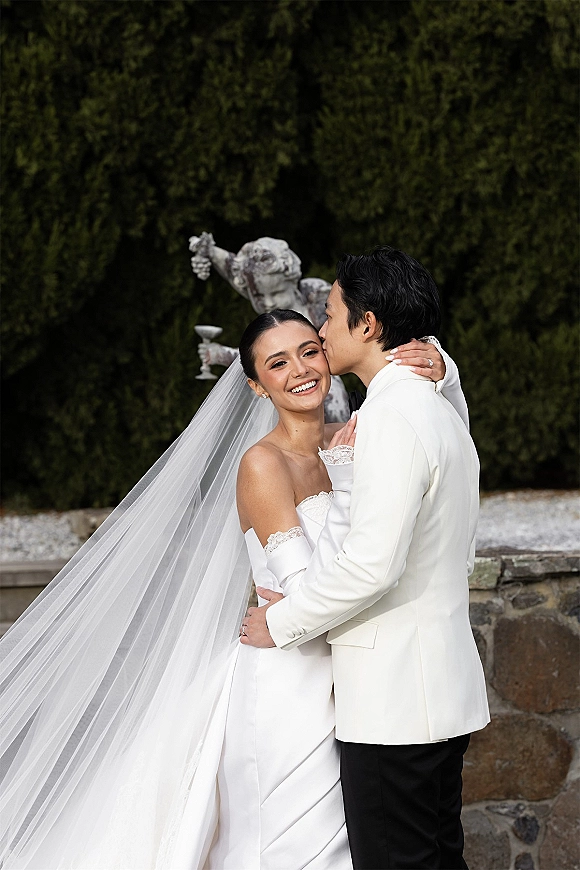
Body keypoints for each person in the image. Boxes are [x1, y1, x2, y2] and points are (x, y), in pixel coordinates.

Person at [0, 306, 464, 870]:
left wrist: (441, 375)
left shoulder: (355, 442)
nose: (300, 370)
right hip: (290, 681)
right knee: (290, 846)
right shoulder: (263, 465)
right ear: (255, 384)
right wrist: (344, 478)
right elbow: (304, 592)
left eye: (309, 351)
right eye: (277, 363)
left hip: (353, 681)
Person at [242, 247, 490, 870]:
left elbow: (371, 567)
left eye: (328, 317)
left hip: (393, 700)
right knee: (438, 854)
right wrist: (449, 373)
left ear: (368, 324)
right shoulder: (437, 408)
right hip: (433, 688)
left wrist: (278, 623)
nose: (321, 334)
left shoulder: (388, 418)